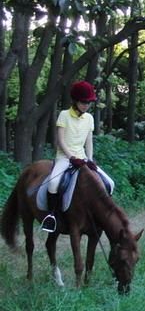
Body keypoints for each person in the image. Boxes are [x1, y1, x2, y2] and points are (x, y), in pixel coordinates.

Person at [41, 81, 98, 232]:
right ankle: (51, 216)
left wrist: (90, 159)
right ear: (75, 100)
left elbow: (89, 141)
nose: (86, 105)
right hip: (65, 157)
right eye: (83, 102)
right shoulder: (64, 115)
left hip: (83, 158)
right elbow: (60, 140)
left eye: (89, 102)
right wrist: (72, 157)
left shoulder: (89, 118)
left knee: (108, 182)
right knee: (53, 184)